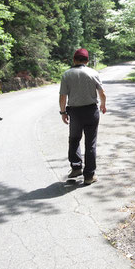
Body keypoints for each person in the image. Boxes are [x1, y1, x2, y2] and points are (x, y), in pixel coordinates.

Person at [59, 48, 106, 185]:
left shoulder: (66, 75)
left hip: (75, 112)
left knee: (74, 139)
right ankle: (89, 176)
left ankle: (76, 167)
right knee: (90, 143)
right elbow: (102, 93)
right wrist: (103, 105)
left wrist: (63, 112)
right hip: (91, 111)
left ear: (74, 60)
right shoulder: (93, 73)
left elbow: (63, 97)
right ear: (87, 61)